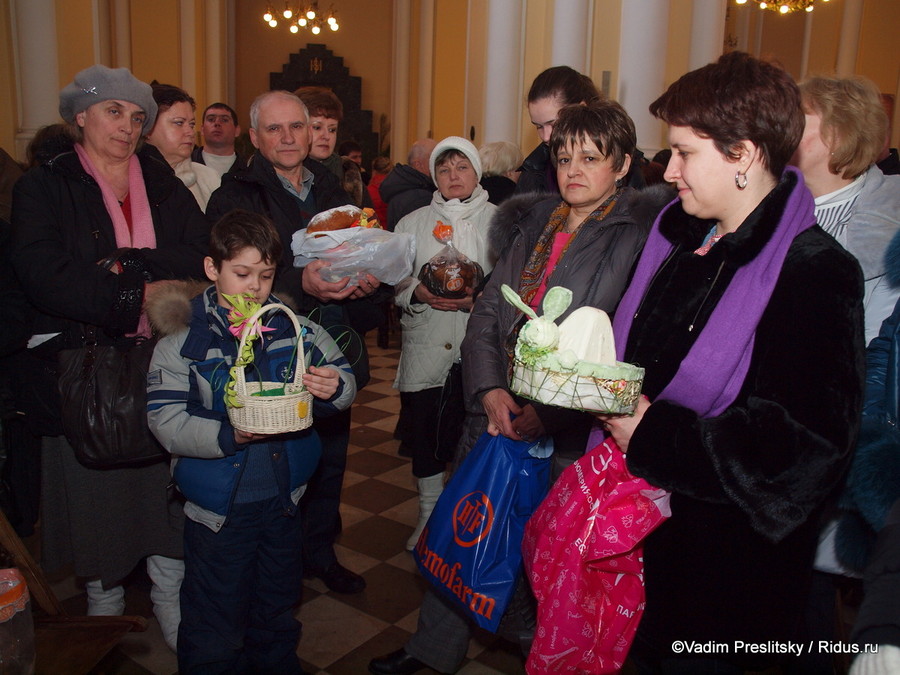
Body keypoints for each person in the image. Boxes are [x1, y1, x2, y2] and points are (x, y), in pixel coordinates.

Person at [369, 99, 668, 675]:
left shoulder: (637, 237)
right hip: (497, 406)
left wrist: (548, 415)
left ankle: (540, 653)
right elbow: (486, 311)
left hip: (569, 428)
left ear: (624, 164)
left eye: (591, 157)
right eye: (563, 156)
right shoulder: (535, 220)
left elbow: (617, 344)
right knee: (465, 526)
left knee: (543, 554)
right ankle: (431, 651)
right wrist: (487, 391)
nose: (573, 169)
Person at [598, 52, 864, 673]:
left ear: (742, 155)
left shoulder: (815, 270)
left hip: (729, 587)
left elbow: (808, 447)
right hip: (643, 542)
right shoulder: (682, 240)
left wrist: (656, 436)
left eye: (686, 153)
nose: (668, 171)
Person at [10, 64, 210, 652]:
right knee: (94, 490)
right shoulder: (46, 185)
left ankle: (170, 596)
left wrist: (131, 267)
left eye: (136, 115)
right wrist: (132, 297)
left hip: (162, 362)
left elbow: (196, 249)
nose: (128, 125)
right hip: (83, 370)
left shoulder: (161, 180)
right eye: (113, 111)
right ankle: (104, 605)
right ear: (80, 117)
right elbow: (42, 273)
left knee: (164, 484)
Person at [146, 210, 356, 674]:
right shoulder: (183, 342)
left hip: (283, 502)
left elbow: (342, 373)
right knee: (214, 618)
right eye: (240, 274)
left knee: (277, 607)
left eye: (264, 276)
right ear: (212, 268)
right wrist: (229, 434)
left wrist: (333, 386)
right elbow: (165, 419)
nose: (253, 288)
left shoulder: (291, 329)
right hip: (218, 513)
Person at [206, 90, 380, 595]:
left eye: (297, 128)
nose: (288, 138)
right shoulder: (234, 192)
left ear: (310, 132)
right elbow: (233, 266)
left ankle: (320, 552)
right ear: (255, 137)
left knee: (331, 451)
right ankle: (276, 566)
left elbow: (359, 245)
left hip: (331, 335)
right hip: (268, 345)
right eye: (274, 129)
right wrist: (298, 284)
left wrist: (368, 278)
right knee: (278, 457)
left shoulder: (333, 186)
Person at [393, 136, 496, 551]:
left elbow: (514, 279)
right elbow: (392, 277)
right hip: (426, 342)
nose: (453, 176)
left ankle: (462, 521)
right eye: (444, 168)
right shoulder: (412, 222)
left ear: (476, 171)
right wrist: (416, 291)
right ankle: (427, 513)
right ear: (434, 174)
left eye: (462, 167)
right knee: (425, 435)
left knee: (472, 435)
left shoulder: (500, 219)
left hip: (478, 347)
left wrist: (482, 299)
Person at [793, 75, 900, 345]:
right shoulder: (772, 204)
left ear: (839, 135)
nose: (782, 130)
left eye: (797, 121)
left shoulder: (884, 229)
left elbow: (874, 348)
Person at [515, 65, 644, 197]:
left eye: (554, 123)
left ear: (581, 109)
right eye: (539, 126)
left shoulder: (626, 166)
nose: (546, 137)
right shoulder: (532, 171)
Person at [147, 83, 221, 212]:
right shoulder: (128, 181)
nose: (190, 132)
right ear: (148, 128)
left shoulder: (209, 178)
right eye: (179, 123)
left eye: (191, 124)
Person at [379, 138, 438, 230]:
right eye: (434, 157)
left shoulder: (401, 186)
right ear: (418, 164)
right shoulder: (421, 197)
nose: (439, 162)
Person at [191, 102, 246, 176]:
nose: (217, 123)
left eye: (224, 120)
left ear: (237, 131)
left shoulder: (249, 170)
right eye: (211, 119)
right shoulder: (185, 164)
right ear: (202, 129)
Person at [478, 140, 521, 205]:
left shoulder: (472, 191)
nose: (521, 173)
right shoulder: (517, 198)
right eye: (520, 168)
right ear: (510, 171)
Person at [367, 156, 394, 226]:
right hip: (392, 230)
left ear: (374, 171)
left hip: (374, 230)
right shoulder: (395, 189)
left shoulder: (368, 191)